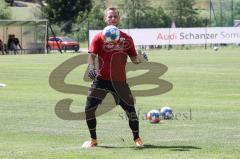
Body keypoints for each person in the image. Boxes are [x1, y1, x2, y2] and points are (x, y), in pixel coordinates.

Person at [82, 7, 148, 148]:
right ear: (105, 19)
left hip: (120, 82)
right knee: (88, 109)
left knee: (131, 112)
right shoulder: (98, 37)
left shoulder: (127, 39)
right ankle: (93, 140)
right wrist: (92, 68)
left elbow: (135, 60)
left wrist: (142, 57)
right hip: (101, 80)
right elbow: (91, 56)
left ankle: (137, 139)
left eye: (115, 16)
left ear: (118, 19)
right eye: (110, 16)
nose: (112, 19)